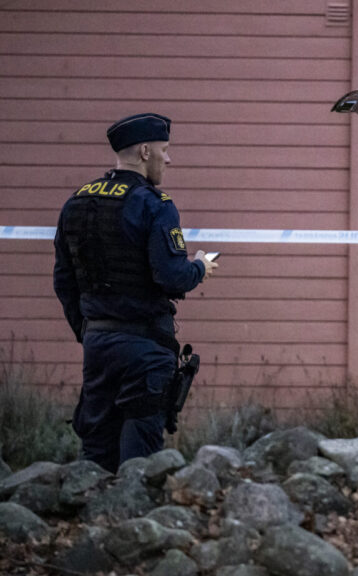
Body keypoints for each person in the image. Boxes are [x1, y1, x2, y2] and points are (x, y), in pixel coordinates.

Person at [53, 113, 217, 472]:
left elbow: (63, 281)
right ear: (145, 151)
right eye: (165, 150)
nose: (168, 159)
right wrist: (200, 267)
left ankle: (94, 521)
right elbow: (172, 278)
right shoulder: (153, 204)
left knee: (95, 453)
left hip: (98, 347)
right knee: (140, 460)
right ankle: (133, 524)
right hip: (144, 351)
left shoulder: (76, 203)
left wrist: (89, 331)